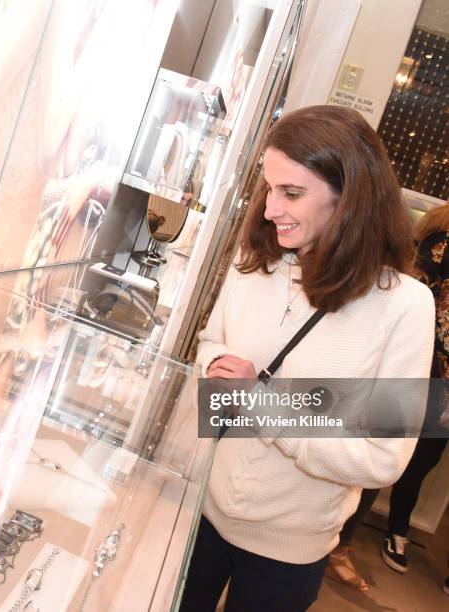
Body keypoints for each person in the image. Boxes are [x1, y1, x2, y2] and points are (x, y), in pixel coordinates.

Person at [178, 105, 435, 612]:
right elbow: (211, 346)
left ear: (350, 199)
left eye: (291, 193)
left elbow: (383, 459)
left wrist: (261, 407)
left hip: (287, 554)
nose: (271, 209)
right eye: (269, 188)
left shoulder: (404, 304)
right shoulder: (254, 260)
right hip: (199, 513)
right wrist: (219, 379)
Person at [381, 204, 449, 574]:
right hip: (434, 375)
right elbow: (423, 301)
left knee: (425, 459)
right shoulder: (441, 244)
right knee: (416, 459)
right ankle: (396, 531)